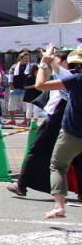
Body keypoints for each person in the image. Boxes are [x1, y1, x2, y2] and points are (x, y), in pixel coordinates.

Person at [8, 48, 78, 199]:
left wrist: (43, 64)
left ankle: (22, 184)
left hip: (60, 117)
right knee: (76, 156)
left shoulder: (72, 78)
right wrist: (49, 59)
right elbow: (58, 69)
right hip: (69, 119)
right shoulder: (71, 76)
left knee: (39, 150)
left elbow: (40, 84)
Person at [32, 45, 82, 219]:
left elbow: (40, 85)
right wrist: (52, 62)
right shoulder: (73, 79)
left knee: (58, 166)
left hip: (73, 132)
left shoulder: (77, 80)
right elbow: (63, 74)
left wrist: (43, 64)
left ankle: (60, 206)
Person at [7, 51, 34, 126]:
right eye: (25, 58)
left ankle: (25, 121)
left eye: (28, 58)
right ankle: (12, 120)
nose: (27, 60)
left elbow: (33, 76)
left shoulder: (31, 67)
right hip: (15, 88)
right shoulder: (14, 66)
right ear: (20, 58)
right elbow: (10, 76)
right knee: (11, 105)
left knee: (25, 107)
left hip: (25, 89)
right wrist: (10, 84)